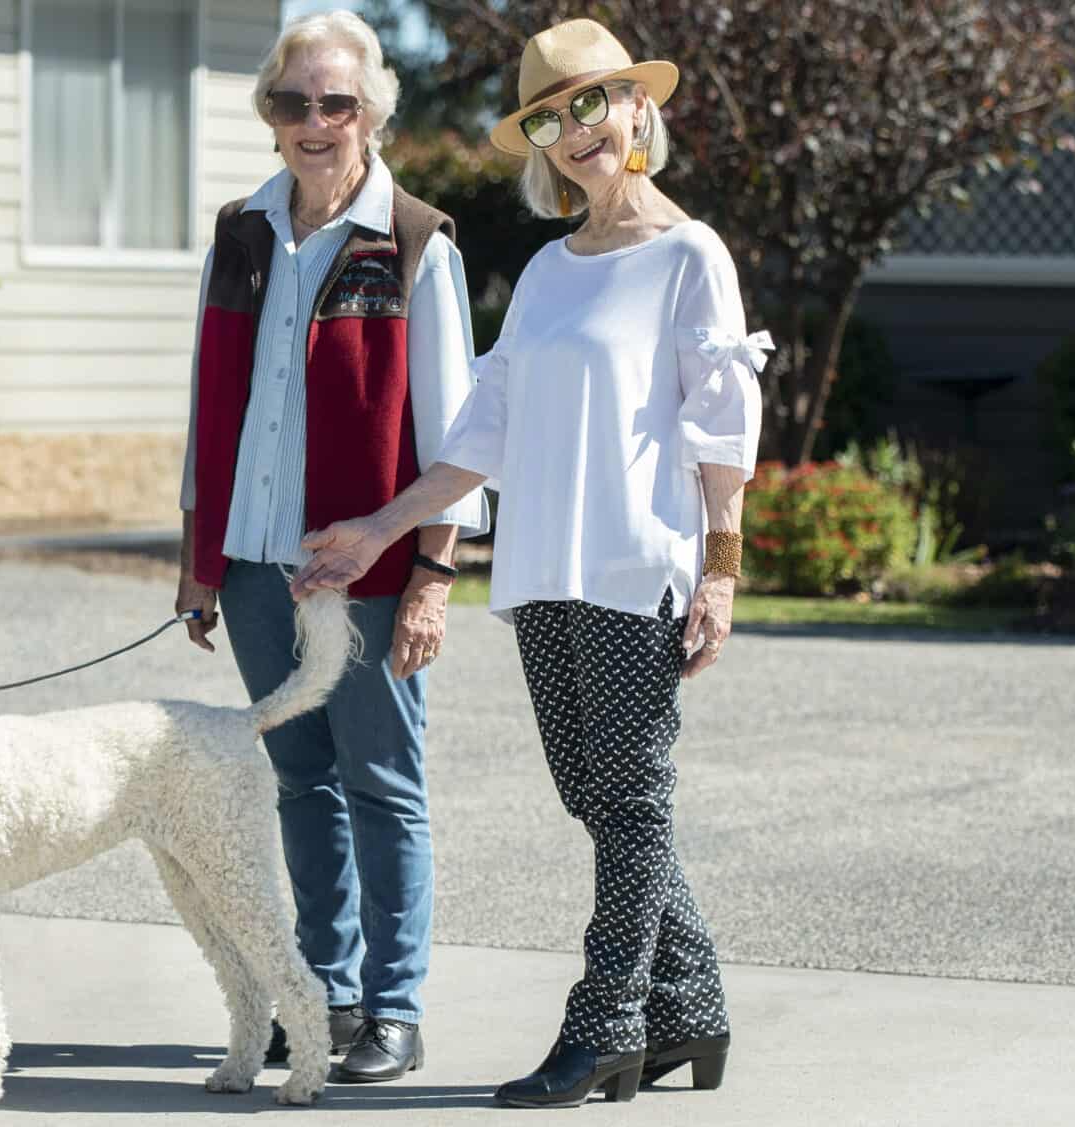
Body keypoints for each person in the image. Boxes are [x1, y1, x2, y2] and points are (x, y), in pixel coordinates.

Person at [290, 17, 759, 1110]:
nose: (575, 131)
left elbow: (721, 434)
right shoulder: (550, 269)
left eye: (592, 103)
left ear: (639, 108)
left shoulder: (691, 256)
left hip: (635, 569)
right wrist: (381, 527)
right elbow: (481, 430)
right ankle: (692, 1002)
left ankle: (605, 1024)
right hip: (543, 573)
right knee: (596, 795)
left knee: (633, 797)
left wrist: (722, 570)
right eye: (551, 117)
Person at [175, 8, 487, 1086]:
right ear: (270, 116)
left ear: (372, 115)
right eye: (293, 101)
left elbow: (458, 436)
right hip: (255, 562)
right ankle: (325, 992)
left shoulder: (412, 240)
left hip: (363, 568)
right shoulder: (242, 232)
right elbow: (208, 405)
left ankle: (393, 1009)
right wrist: (199, 556)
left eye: (336, 102)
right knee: (299, 777)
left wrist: (431, 578)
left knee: (382, 782)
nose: (315, 122)